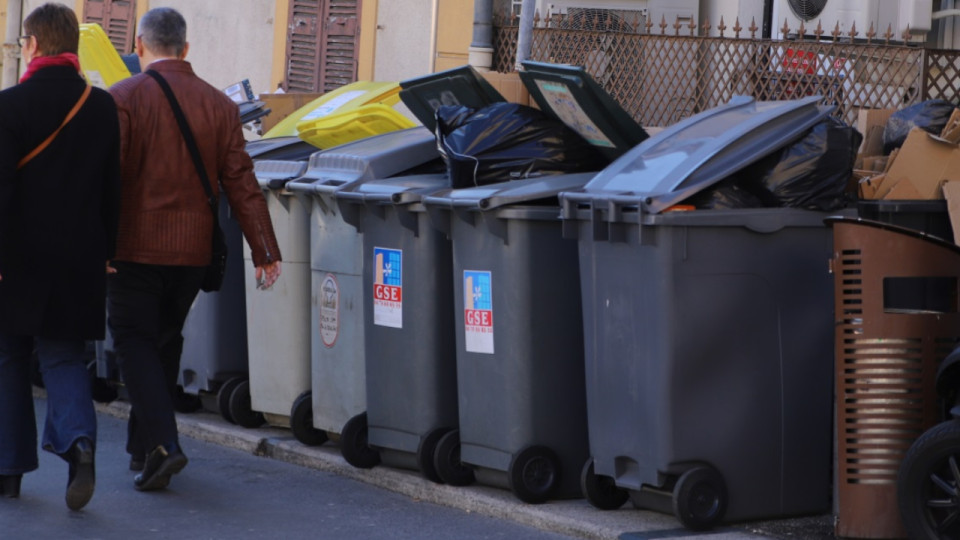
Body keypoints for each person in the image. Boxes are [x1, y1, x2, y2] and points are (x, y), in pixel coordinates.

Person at [107, 7, 281, 492]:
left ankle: (164, 444)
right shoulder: (219, 106)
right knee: (162, 342)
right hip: (191, 252)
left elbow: (110, 180)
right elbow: (242, 183)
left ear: (139, 46)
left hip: (133, 247)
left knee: (134, 342)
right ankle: (143, 451)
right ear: (186, 49)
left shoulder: (122, 98)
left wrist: (97, 242)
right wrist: (264, 249)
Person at [0, 3, 121, 511]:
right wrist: (108, 252)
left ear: (31, 44)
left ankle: (8, 470)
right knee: (64, 355)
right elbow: (112, 188)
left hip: (19, 257)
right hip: (80, 258)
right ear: (71, 45)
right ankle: (79, 444)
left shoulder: (9, 105)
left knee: (8, 356)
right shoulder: (102, 106)